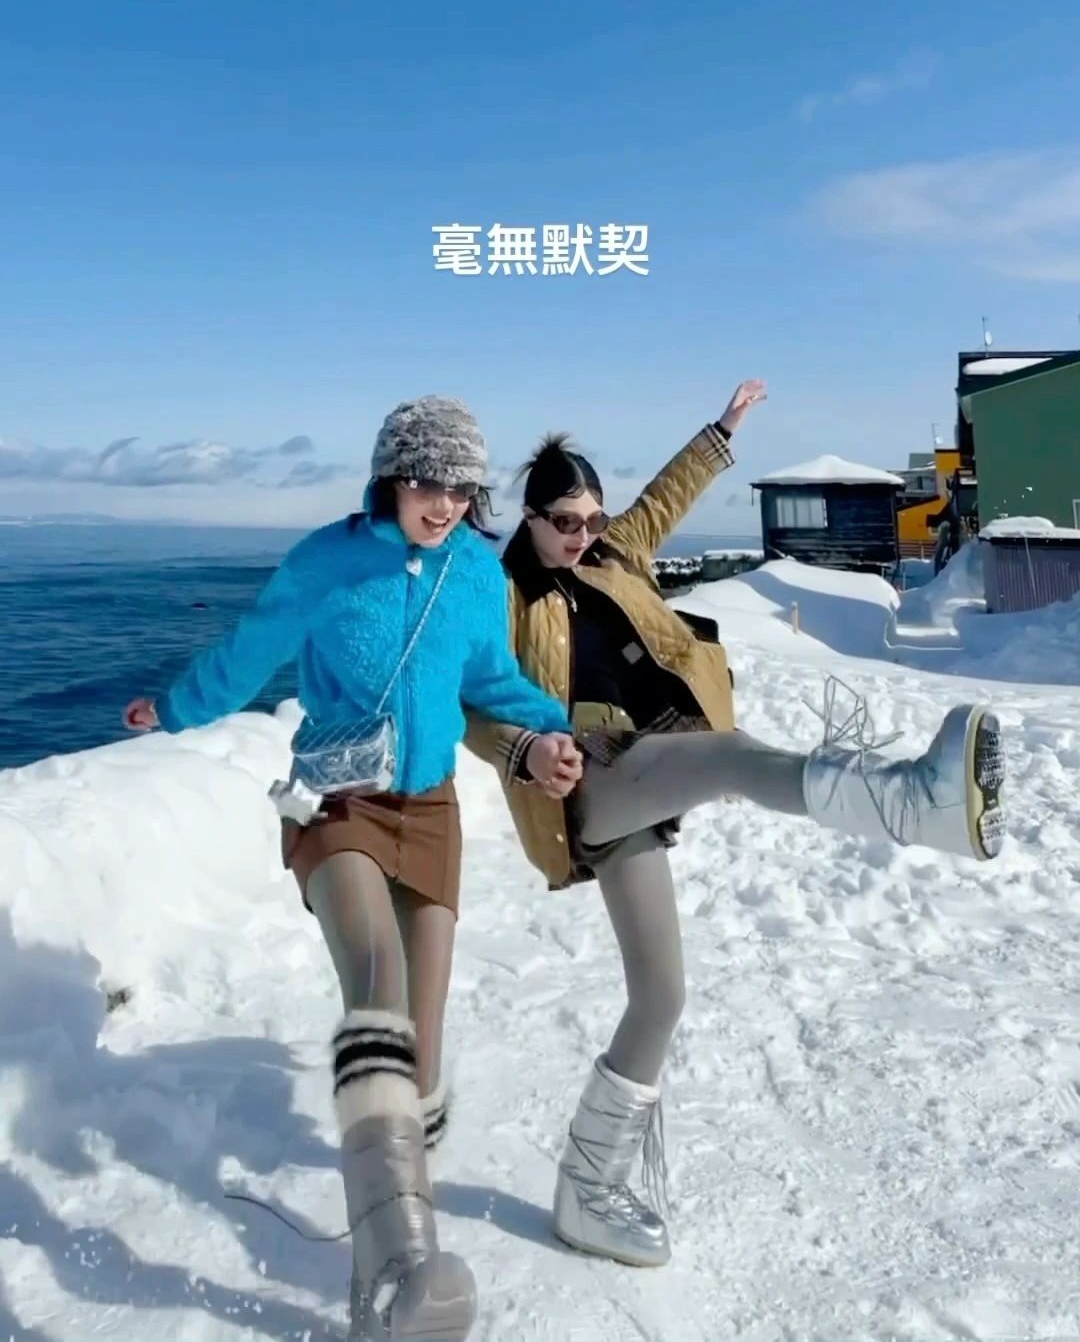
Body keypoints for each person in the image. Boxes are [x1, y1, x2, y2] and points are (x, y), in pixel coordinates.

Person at [465, 379, 1007, 1269]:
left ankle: (585, 1190)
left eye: (593, 519)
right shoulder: (500, 596)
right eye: (564, 522)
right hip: (587, 777)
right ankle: (915, 800)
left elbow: (665, 497)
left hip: (646, 774)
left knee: (661, 997)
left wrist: (721, 433)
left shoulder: (616, 553)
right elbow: (469, 701)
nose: (583, 535)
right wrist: (523, 747)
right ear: (528, 518)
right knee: (732, 758)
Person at [123, 395, 577, 1342]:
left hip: (432, 813)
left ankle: (382, 1271)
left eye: (462, 487)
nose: (444, 504)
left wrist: (548, 730)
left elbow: (490, 678)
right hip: (337, 805)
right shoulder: (325, 562)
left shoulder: (472, 574)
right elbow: (247, 654)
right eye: (426, 482)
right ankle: (407, 1260)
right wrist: (172, 709)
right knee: (376, 985)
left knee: (423, 1048)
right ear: (389, 478)